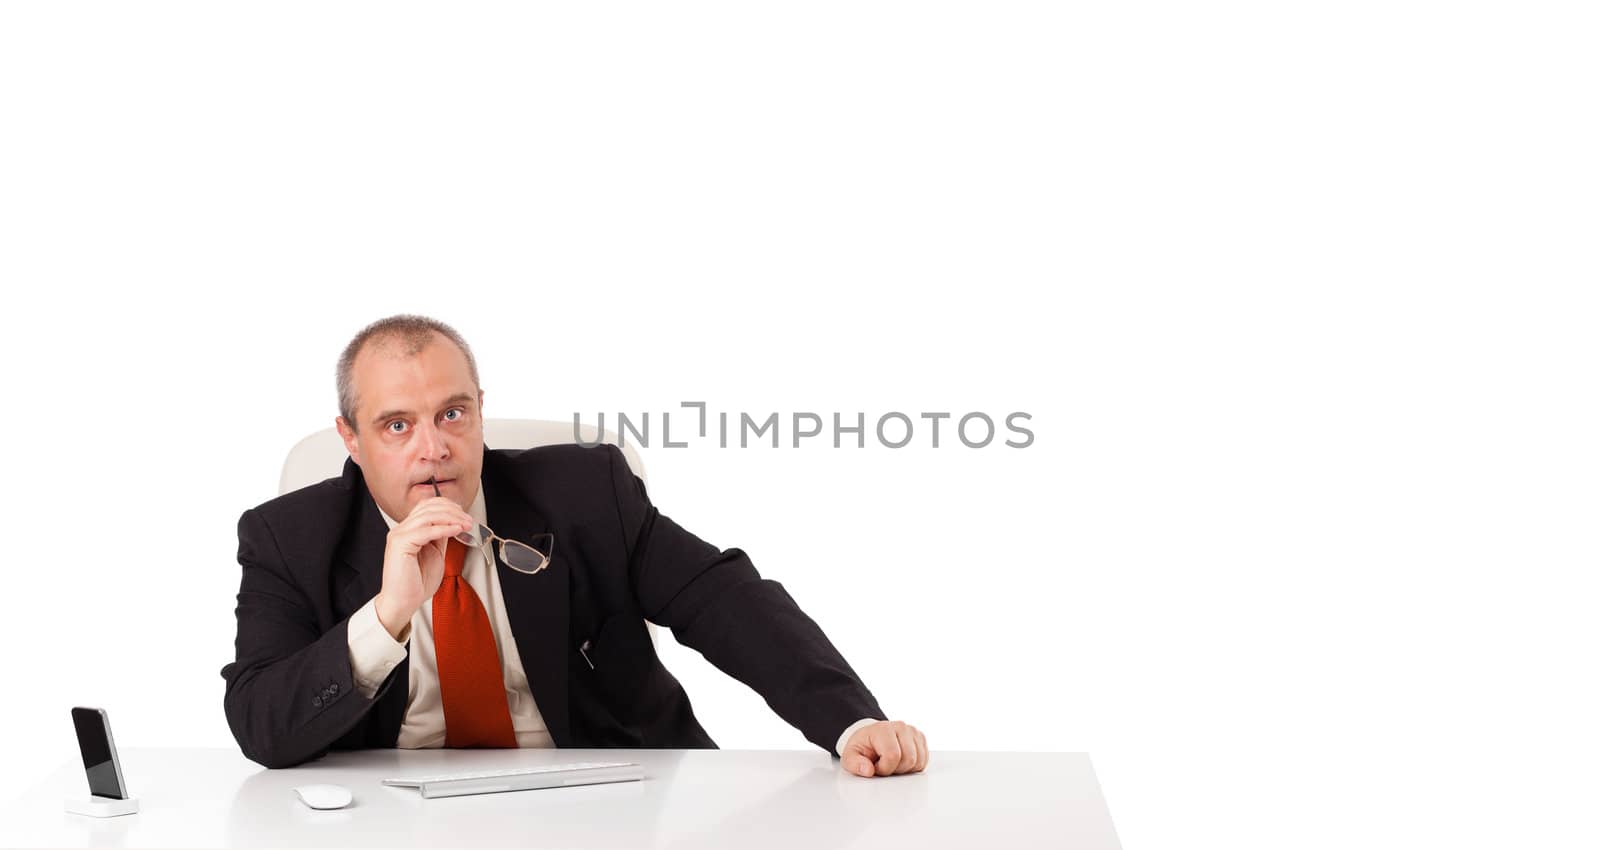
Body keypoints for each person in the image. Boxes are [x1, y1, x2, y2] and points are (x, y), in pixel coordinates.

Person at [220, 315, 928, 778]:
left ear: (480, 409)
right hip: (390, 823)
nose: (434, 450)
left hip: (603, 798)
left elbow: (722, 598)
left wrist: (850, 721)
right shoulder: (288, 537)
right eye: (397, 426)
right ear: (350, 438)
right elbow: (261, 725)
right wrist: (387, 614)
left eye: (452, 414)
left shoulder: (588, 494)